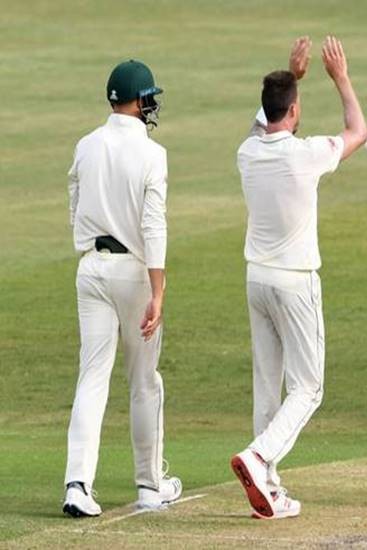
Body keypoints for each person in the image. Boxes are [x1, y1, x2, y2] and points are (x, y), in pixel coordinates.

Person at [229, 36, 367, 520]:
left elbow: (262, 123)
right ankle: (259, 457)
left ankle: (268, 488)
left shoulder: (247, 152)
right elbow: (358, 131)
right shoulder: (305, 153)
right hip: (295, 281)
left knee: (268, 386)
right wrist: (340, 78)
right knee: (309, 387)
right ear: (293, 111)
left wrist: (292, 78)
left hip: (257, 280)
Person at [63, 59, 182, 517]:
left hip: (91, 268)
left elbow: (75, 202)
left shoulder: (86, 145)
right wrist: (158, 293)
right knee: (143, 382)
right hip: (134, 274)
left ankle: (77, 485)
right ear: (140, 101)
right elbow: (154, 227)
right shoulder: (153, 154)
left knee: (92, 377)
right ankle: (150, 486)